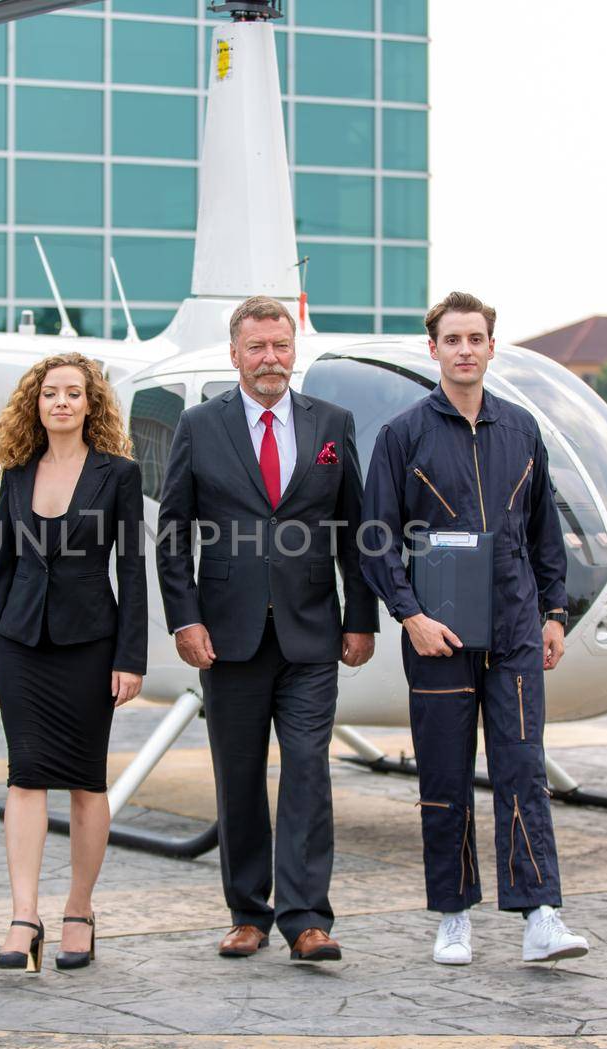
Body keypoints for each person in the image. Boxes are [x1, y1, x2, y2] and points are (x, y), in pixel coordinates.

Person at [359, 291, 589, 966]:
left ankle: (540, 912)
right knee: (444, 772)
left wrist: (553, 613)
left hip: (516, 627)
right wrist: (411, 615)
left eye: (475, 338)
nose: (464, 349)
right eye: (452, 339)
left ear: (491, 347)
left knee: (522, 766)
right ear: (433, 350)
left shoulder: (522, 429)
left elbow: (545, 532)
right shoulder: (404, 435)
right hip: (438, 633)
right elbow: (376, 539)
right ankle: (453, 915)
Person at [155, 295, 378, 964]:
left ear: (293, 349)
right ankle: (248, 913)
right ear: (235, 355)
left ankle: (307, 916)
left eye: (280, 345)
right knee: (240, 774)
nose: (270, 358)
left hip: (312, 633)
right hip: (227, 637)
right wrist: (185, 617)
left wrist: (361, 617)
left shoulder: (332, 423)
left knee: (308, 770)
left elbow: (355, 532)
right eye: (257, 347)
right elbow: (173, 534)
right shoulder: (199, 426)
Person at [0, 353, 146, 973]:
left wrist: (131, 656)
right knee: (24, 776)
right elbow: (3, 570)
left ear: (91, 404)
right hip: (21, 645)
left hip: (90, 646)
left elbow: (131, 571)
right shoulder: (17, 474)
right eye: (51, 394)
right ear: (36, 404)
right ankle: (24, 916)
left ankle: (79, 909)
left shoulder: (119, 474)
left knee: (85, 779)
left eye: (74, 393)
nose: (62, 402)